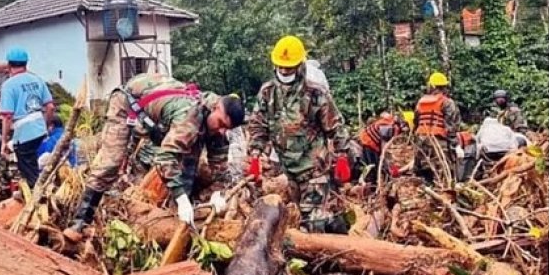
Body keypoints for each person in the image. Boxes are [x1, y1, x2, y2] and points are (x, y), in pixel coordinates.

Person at [64, 73, 244, 243]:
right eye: (220, 124)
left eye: (227, 128)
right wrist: (181, 199)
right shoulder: (189, 118)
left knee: (189, 163)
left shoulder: (218, 128)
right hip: (128, 102)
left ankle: (178, 219)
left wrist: (219, 194)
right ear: (215, 108)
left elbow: (220, 169)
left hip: (159, 113)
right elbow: (165, 158)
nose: (221, 131)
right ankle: (80, 221)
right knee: (112, 161)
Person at [247, 35, 350, 233]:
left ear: (300, 65)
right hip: (289, 170)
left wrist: (343, 155)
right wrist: (255, 153)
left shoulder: (315, 93)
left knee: (312, 222)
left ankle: (329, 251)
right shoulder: (267, 93)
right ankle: (337, 229)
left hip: (314, 168)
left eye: (289, 67)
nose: (284, 71)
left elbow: (335, 126)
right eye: (281, 67)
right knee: (300, 216)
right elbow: (258, 125)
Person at [0, 47, 55, 186]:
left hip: (24, 134)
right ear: (26, 64)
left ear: (9, 65)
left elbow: (7, 117)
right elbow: (50, 107)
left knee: (28, 173)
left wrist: (4, 141)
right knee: (33, 165)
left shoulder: (8, 85)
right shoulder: (37, 80)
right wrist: (47, 126)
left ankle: (37, 198)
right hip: (40, 129)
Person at [413, 72, 461, 183]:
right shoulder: (447, 103)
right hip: (438, 142)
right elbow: (451, 127)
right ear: (444, 87)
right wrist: (455, 145)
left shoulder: (420, 102)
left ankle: (427, 189)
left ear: (431, 86)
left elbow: (416, 122)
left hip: (422, 141)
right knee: (446, 171)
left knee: (425, 171)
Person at [356, 111, 411, 183]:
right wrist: (382, 154)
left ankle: (373, 180)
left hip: (367, 140)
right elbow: (384, 141)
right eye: (406, 129)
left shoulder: (392, 125)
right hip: (369, 142)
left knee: (372, 164)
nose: (405, 131)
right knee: (372, 165)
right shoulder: (391, 127)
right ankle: (371, 182)